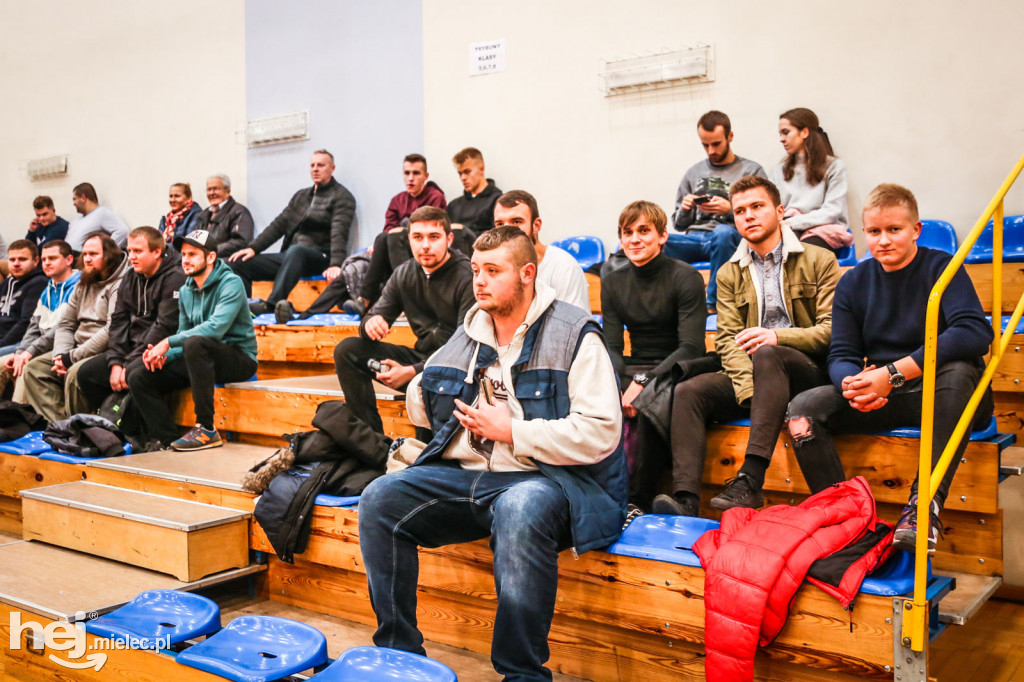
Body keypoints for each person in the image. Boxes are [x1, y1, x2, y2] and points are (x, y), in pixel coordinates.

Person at [358, 225, 626, 681]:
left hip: (551, 480)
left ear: (527, 273)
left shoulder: (574, 333)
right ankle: (398, 652)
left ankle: (521, 673)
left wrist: (514, 431)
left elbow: (602, 432)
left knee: (520, 507)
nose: (479, 281)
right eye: (477, 270)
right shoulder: (470, 332)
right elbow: (426, 406)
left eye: (493, 271)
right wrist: (417, 386)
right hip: (471, 475)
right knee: (379, 498)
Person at [787, 183, 992, 553]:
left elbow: (975, 333)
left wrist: (892, 374)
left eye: (894, 230)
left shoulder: (941, 267)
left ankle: (921, 509)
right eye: (874, 231)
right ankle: (842, 519)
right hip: (886, 394)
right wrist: (852, 384)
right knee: (803, 408)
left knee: (960, 369)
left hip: (948, 397)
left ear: (916, 230)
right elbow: (842, 352)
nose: (883, 240)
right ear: (864, 232)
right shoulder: (853, 281)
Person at [650, 175, 839, 517]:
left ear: (779, 211)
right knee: (689, 391)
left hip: (808, 373)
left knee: (768, 351)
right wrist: (753, 392)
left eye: (757, 207)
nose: (748, 216)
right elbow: (727, 340)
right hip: (756, 381)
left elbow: (829, 331)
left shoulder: (819, 260)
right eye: (740, 211)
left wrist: (778, 337)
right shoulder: (727, 272)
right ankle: (686, 502)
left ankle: (750, 479)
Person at [600, 201, 706, 512]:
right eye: (627, 232)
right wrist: (620, 386)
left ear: (662, 236)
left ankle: (637, 499)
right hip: (636, 364)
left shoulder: (685, 277)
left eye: (644, 231)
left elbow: (690, 347)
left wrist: (642, 382)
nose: (634, 239)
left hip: (680, 365)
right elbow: (613, 348)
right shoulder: (613, 281)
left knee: (648, 402)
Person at [333, 206, 474, 434]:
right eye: (417, 237)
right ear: (409, 240)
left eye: (433, 237)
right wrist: (370, 323)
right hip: (419, 359)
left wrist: (413, 371)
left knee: (426, 446)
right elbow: (374, 315)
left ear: (449, 239)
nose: (425, 245)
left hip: (456, 370)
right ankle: (372, 442)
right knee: (347, 350)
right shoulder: (403, 273)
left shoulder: (467, 276)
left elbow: (464, 348)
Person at [128, 230, 258, 451]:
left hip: (238, 358)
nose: (185, 260)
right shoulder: (186, 290)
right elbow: (184, 333)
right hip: (199, 360)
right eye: (184, 254)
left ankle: (206, 428)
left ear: (210, 258)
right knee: (139, 372)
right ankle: (167, 441)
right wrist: (162, 356)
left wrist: (167, 342)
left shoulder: (231, 283)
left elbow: (215, 329)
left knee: (195, 343)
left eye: (193, 254)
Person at [71, 227, 185, 416]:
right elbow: (118, 322)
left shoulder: (175, 278)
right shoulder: (131, 277)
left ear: (157, 252)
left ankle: (147, 435)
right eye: (129, 251)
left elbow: (164, 326)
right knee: (86, 373)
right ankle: (111, 424)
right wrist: (116, 362)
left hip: (158, 350)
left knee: (135, 375)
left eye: (138, 251)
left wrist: (128, 363)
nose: (132, 257)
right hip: (131, 350)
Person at [230, 150, 356, 316]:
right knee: (238, 262)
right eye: (312, 165)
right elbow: (278, 225)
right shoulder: (301, 196)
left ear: (332, 168)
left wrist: (336, 264)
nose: (315, 169)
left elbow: (339, 232)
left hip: (320, 258)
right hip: (291, 258)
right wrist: (253, 248)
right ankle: (244, 310)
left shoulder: (342, 196)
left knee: (296, 251)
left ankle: (271, 304)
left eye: (321, 165)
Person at [22, 232, 130, 422]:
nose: (87, 259)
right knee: (34, 368)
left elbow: (111, 330)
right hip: (74, 347)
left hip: (103, 350)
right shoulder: (84, 281)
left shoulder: (120, 284)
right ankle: (58, 426)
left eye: (93, 254)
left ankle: (80, 430)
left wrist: (70, 358)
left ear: (109, 256)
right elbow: (66, 323)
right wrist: (59, 355)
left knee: (74, 373)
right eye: (85, 254)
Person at [670, 111, 767, 309]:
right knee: (654, 240)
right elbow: (678, 225)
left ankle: (712, 305)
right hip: (696, 239)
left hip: (731, 239)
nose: (710, 150)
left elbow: (764, 215)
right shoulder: (693, 172)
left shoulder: (751, 171)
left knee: (722, 234)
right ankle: (663, 308)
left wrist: (731, 209)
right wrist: (686, 208)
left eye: (716, 144)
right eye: (705, 145)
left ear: (730, 137)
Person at [336, 154, 450, 318]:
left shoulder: (435, 197)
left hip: (423, 248)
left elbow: (433, 227)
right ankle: (363, 301)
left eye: (416, 173)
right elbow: (388, 227)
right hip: (395, 250)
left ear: (426, 176)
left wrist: (404, 230)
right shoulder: (397, 200)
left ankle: (405, 300)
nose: (410, 178)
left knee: (393, 236)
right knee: (382, 238)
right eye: (407, 173)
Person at [0, 241, 79, 401]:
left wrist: (28, 353)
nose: (47, 263)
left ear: (69, 260)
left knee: (25, 369)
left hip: (62, 346)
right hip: (38, 346)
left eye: (52, 258)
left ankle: (20, 422)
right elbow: (33, 327)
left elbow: (61, 330)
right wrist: (20, 352)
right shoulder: (48, 288)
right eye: (44, 259)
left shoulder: (79, 287)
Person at [767, 108, 853, 255]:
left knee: (803, 253)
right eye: (780, 134)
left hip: (823, 230)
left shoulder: (834, 166)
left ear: (804, 133)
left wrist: (792, 223)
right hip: (788, 229)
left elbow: (832, 211)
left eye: (786, 132)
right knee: (771, 250)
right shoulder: (778, 171)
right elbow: (774, 209)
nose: (781, 139)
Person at [492, 190, 590, 312]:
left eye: (517, 222)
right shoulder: (493, 269)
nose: (506, 230)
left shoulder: (564, 267)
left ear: (536, 225)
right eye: (500, 224)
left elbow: (574, 326)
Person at [0, 241, 47, 356]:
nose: (16, 264)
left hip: (18, 343)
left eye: (22, 259)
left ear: (36, 261)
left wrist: (2, 343)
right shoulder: (7, 282)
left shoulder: (39, 282)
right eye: (12, 260)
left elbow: (25, 322)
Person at [197, 173, 254, 258]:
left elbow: (242, 242)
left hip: (226, 264)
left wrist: (211, 252)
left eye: (216, 189)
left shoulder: (239, 212)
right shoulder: (203, 214)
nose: (212, 193)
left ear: (227, 191)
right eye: (209, 189)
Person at [447, 147, 502, 235]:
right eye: (460, 173)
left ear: (482, 169)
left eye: (467, 172)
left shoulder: (497, 201)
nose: (463, 178)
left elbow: (497, 237)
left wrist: (463, 230)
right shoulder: (453, 205)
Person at [65, 183, 130, 251]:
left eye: (75, 199)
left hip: (86, 258)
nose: (74, 203)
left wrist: (105, 251)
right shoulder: (76, 220)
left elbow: (122, 232)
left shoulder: (102, 213)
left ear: (83, 198)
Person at [159, 182, 203, 249]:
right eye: (171, 196)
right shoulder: (167, 219)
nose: (173, 200)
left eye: (177, 196)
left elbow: (188, 242)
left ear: (189, 198)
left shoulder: (196, 215)